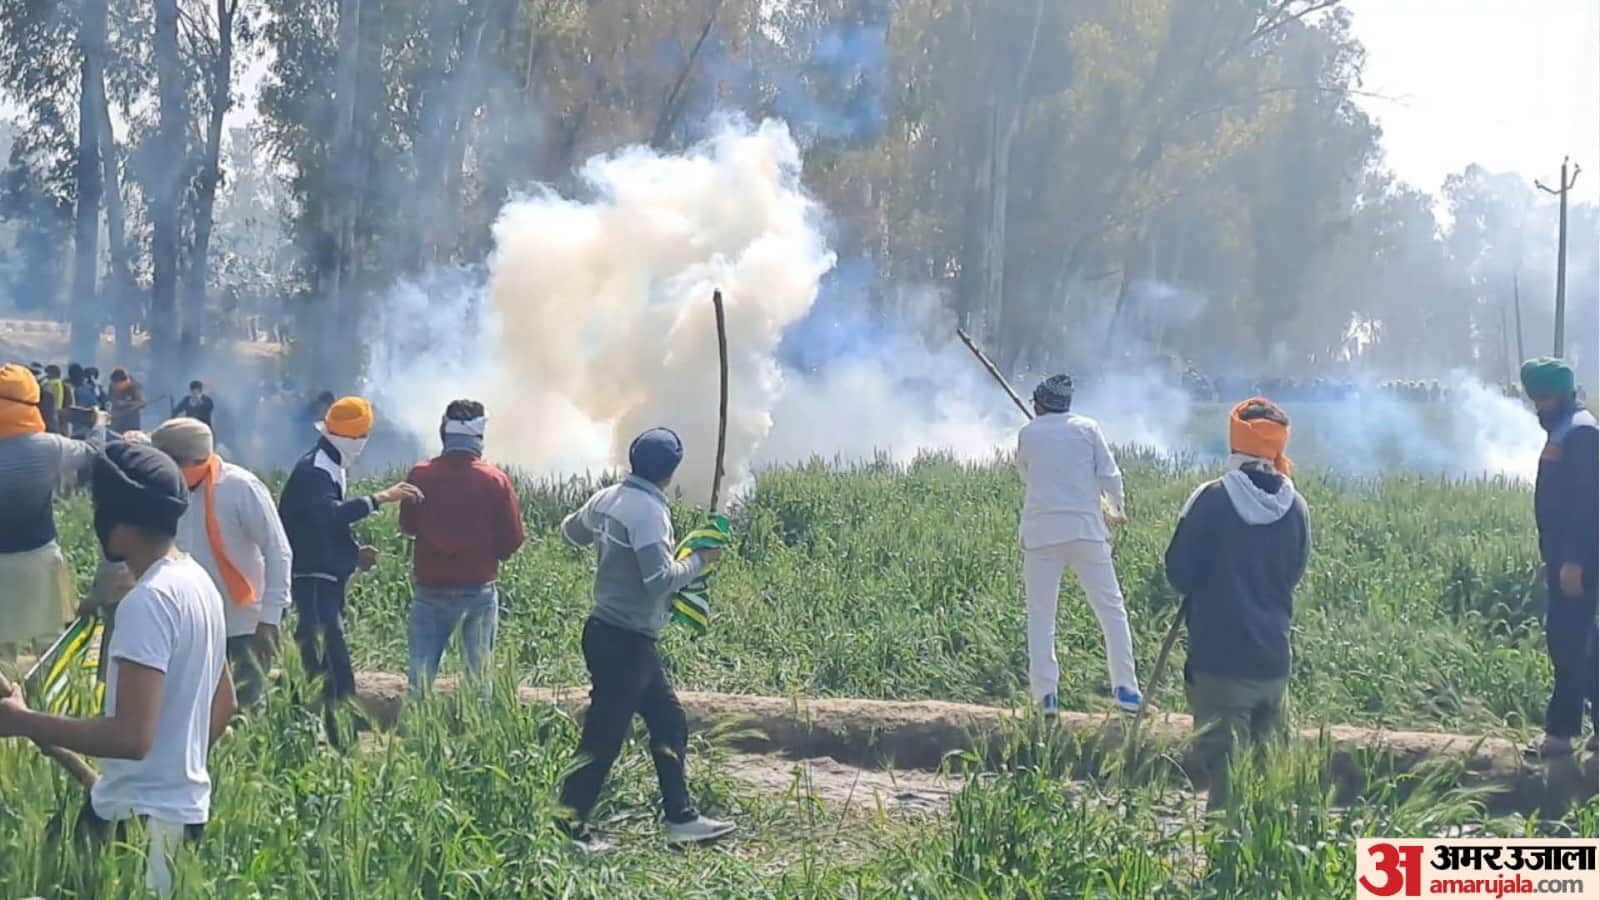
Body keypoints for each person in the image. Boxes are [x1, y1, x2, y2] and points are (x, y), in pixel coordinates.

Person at [0, 440, 234, 897]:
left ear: (121, 527)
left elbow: (131, 738)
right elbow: (225, 704)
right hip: (166, 815)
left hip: (139, 828)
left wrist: (22, 721)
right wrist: (174, 770)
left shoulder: (145, 602)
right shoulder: (197, 582)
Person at [556, 427, 734, 852]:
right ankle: (568, 829)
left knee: (669, 721)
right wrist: (698, 560)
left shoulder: (608, 498)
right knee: (602, 739)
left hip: (609, 632)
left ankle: (680, 817)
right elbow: (659, 582)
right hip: (626, 641)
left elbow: (570, 533)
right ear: (671, 472)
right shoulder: (648, 513)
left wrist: (604, 539)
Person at [1164, 398, 1310, 812]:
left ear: (1236, 441)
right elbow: (1294, 572)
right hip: (1273, 663)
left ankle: (1224, 870)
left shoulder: (1209, 500)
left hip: (1220, 665)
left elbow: (1179, 574)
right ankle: (1268, 866)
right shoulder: (1296, 507)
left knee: (1226, 781)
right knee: (1269, 778)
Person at [277, 397, 420, 739]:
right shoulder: (316, 470)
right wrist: (379, 498)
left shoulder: (329, 463)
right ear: (355, 438)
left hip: (323, 578)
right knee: (325, 665)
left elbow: (320, 525)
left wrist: (352, 553)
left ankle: (329, 739)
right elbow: (329, 514)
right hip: (312, 580)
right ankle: (321, 739)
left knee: (331, 666)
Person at [1014, 374, 1142, 716]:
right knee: (1112, 611)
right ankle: (1126, 689)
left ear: (1039, 405)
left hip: (1041, 534)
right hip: (1087, 531)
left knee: (1042, 617)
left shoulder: (1029, 433)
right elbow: (1111, 476)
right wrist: (1114, 508)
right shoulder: (1088, 428)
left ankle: (1046, 698)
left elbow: (1026, 472)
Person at [152, 418, 293, 707]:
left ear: (191, 460)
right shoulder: (162, 489)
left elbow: (278, 550)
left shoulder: (240, 488)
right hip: (188, 623)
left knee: (246, 709)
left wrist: (270, 619)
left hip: (241, 624)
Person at [398, 400, 525, 696]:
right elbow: (514, 537)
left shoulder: (420, 475)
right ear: (479, 436)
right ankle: (479, 738)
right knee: (479, 679)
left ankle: (418, 736)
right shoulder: (495, 479)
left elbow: (408, 525)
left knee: (420, 678)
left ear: (444, 431)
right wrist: (493, 554)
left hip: (430, 589)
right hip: (477, 590)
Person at [1520, 358, 1600, 759]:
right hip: (1567, 556)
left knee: (1570, 641)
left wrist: (1572, 561)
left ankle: (1560, 735)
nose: (1539, 407)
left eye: (1544, 398)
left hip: (1579, 559)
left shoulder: (1581, 433)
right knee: (1580, 640)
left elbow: (1586, 504)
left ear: (1563, 394)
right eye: (1534, 399)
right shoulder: (1568, 427)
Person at [0, 363, 99, 659]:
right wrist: (100, 425)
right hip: (39, 555)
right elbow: (93, 451)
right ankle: (47, 704)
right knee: (51, 643)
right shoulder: (49, 447)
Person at [108, 368, 146, 434]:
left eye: (117, 385)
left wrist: (126, 404)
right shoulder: (112, 386)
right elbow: (110, 401)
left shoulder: (134, 386)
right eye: (114, 384)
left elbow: (142, 403)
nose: (115, 387)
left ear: (124, 382)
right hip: (115, 422)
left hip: (131, 424)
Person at [40, 364, 66, 434]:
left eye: (47, 373)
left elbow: (44, 400)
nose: (46, 376)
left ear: (51, 373)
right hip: (58, 413)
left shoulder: (50, 384)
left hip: (49, 414)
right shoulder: (61, 383)